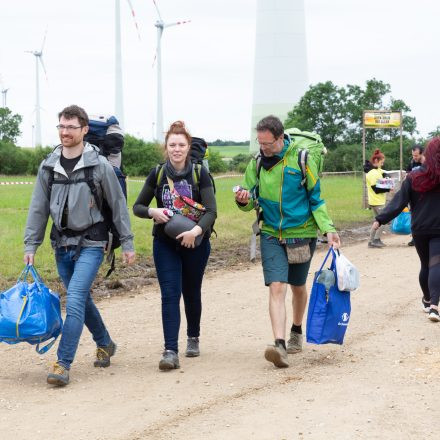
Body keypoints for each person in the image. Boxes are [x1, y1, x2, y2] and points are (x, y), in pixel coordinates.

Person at [24, 105, 135, 386]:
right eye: (61, 126)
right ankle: (105, 343)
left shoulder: (99, 166)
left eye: (71, 127)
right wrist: (31, 244)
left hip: (93, 241)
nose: (65, 132)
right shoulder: (49, 166)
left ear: (84, 130)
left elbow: (118, 205)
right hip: (61, 243)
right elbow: (38, 208)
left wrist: (128, 242)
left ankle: (62, 363)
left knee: (73, 298)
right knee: (81, 299)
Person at [234, 115, 340, 369]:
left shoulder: (302, 159)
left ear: (281, 138)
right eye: (260, 143)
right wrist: (242, 199)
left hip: (301, 234)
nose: (263, 148)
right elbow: (249, 199)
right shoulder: (258, 162)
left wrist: (328, 229)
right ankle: (279, 345)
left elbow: (316, 198)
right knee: (277, 286)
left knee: (298, 285)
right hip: (271, 233)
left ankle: (296, 330)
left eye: (268, 143)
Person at [133, 121, 216, 371]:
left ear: (188, 147)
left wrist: (195, 231)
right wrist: (152, 211)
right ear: (166, 147)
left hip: (196, 241)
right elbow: (137, 207)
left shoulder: (199, 173)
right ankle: (170, 350)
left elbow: (212, 211)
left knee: (191, 291)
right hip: (165, 242)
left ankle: (193, 337)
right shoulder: (157, 173)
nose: (176, 149)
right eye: (172, 145)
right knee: (170, 294)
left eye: (181, 145)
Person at [372, 137, 440, 322]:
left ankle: (427, 300)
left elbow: (398, 201)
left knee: (425, 265)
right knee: (436, 265)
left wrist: (380, 219)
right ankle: (434, 306)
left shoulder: (414, 177)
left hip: (419, 228)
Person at [364, 148, 391, 248]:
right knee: (383, 220)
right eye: (381, 162)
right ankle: (376, 240)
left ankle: (371, 241)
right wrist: (388, 188)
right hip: (377, 201)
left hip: (377, 201)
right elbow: (376, 189)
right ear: (376, 161)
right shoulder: (372, 173)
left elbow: (383, 172)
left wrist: (387, 176)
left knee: (377, 222)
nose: (382, 164)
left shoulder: (377, 170)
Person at [406, 145, 424, 246]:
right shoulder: (412, 163)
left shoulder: (427, 163)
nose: (415, 157)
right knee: (413, 215)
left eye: (416, 155)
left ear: (421, 153)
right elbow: (407, 174)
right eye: (413, 155)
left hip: (424, 194)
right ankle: (414, 237)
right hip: (414, 194)